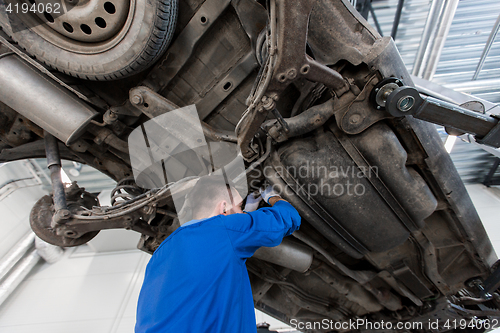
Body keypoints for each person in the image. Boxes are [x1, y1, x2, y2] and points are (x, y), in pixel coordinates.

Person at [135, 175, 301, 333]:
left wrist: (242, 214)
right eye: (240, 206)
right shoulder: (224, 229)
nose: (242, 212)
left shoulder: (161, 251)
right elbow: (288, 217)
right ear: (223, 208)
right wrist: (273, 197)